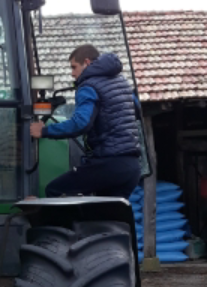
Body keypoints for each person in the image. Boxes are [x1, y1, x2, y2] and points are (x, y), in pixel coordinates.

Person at [29, 44, 141, 198]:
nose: (72, 74)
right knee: (105, 211)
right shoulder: (122, 82)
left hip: (109, 163)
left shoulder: (89, 85)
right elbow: (136, 111)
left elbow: (81, 123)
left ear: (87, 63)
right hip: (132, 167)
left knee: (55, 190)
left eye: (74, 67)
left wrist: (44, 131)